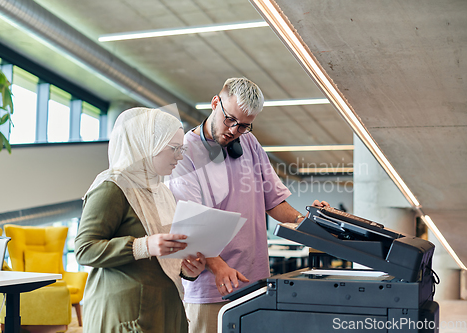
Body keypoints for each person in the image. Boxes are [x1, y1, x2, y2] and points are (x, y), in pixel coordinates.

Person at [167, 78, 329, 333]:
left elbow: (274, 201)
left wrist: (308, 221)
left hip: (255, 283)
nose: (234, 130)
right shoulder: (184, 154)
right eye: (230, 119)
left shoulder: (250, 144)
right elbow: (192, 223)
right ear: (214, 103)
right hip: (212, 290)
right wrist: (220, 267)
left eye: (243, 125)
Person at [75, 107, 206, 333]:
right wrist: (144, 245)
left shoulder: (161, 192)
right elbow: (84, 249)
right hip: (126, 314)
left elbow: (163, 255)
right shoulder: (112, 186)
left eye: (182, 149)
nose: (180, 156)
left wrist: (187, 269)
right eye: (174, 149)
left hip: (163, 310)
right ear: (146, 145)